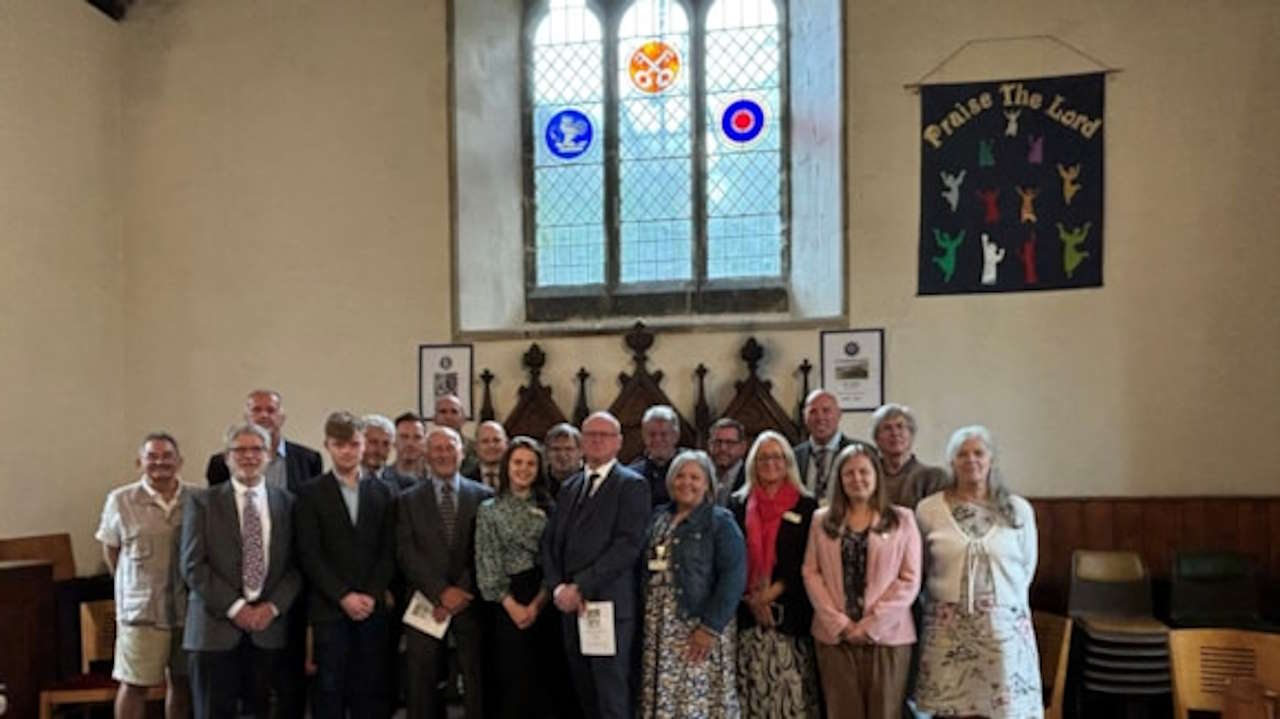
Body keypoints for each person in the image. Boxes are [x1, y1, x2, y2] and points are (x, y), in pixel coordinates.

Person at [913, 426, 1041, 719]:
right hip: (947, 628)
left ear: (991, 459)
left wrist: (1002, 604)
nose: (971, 460)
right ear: (952, 462)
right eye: (962, 454)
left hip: (1003, 628)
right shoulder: (929, 509)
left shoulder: (1018, 509)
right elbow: (920, 567)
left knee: (1002, 709)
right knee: (951, 711)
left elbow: (1027, 567)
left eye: (978, 453)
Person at [182, 423, 302, 719]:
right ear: (226, 457)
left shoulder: (288, 503)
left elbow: (297, 566)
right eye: (240, 450)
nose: (249, 456)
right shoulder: (202, 502)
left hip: (268, 630)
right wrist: (236, 608)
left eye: (256, 449)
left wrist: (271, 608)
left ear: (269, 456)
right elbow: (193, 565)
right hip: (214, 630)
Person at [540, 411, 649, 719]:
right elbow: (550, 543)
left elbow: (627, 546)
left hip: (607, 605)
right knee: (584, 690)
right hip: (570, 607)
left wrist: (580, 585)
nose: (597, 440)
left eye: (604, 435)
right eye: (590, 435)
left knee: (611, 695)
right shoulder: (571, 487)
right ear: (581, 442)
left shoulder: (632, 485)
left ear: (619, 442)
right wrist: (558, 587)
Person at [802, 444, 922, 719]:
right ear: (840, 480)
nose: (857, 479)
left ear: (876, 475)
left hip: (888, 637)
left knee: (885, 713)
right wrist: (841, 624)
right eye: (849, 473)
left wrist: (870, 626)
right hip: (835, 636)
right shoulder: (822, 520)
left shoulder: (902, 519)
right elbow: (811, 572)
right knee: (842, 712)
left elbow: (909, 579)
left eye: (864, 472)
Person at [294, 412, 397, 719]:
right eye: (340, 445)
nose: (348, 451)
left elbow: (388, 549)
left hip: (371, 606)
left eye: (354, 444)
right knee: (330, 690)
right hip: (330, 608)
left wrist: (370, 593)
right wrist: (343, 596)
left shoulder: (383, 491)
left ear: (363, 445)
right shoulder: (309, 492)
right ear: (327, 445)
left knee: (371, 689)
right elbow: (310, 554)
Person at [638, 450, 746, 719]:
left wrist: (710, 627)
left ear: (707, 484)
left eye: (695, 477)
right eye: (681, 476)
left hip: (696, 623)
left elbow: (733, 577)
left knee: (696, 698)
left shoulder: (720, 522)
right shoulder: (657, 517)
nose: (687, 483)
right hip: (659, 625)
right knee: (665, 695)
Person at [475, 437, 576, 719]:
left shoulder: (550, 508)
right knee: (513, 679)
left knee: (547, 678)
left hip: (544, 599)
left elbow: (555, 560)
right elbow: (487, 562)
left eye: (531, 463)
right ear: (508, 466)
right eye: (518, 462)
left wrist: (538, 604)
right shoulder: (489, 510)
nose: (524, 469)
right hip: (507, 601)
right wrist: (514, 607)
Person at [397, 425, 493, 719]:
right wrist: (440, 592)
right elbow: (406, 552)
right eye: (436, 448)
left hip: (470, 601)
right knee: (421, 683)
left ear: (462, 453)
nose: (443, 454)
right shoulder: (407, 500)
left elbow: (485, 549)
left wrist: (460, 591)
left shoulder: (484, 496)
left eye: (450, 447)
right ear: (426, 453)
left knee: (477, 680)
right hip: (426, 602)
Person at [96, 432, 195, 719]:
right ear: (139, 462)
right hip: (141, 611)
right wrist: (131, 585)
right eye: (152, 457)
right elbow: (111, 550)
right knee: (134, 683)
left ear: (180, 461)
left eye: (167, 456)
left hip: (187, 609)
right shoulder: (121, 500)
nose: (160, 463)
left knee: (182, 682)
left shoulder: (197, 498)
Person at [729, 430, 821, 718]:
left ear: (788, 462)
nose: (770, 463)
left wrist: (770, 593)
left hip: (790, 616)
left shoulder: (806, 506)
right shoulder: (737, 504)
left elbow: (807, 559)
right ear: (753, 463)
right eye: (763, 457)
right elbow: (730, 557)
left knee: (790, 698)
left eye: (777, 456)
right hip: (747, 617)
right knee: (752, 696)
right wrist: (753, 598)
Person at [205, 389, 323, 492]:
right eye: (256, 410)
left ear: (282, 418)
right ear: (246, 417)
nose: (264, 416)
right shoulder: (220, 464)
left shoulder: (309, 460)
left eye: (271, 410)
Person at [869, 404, 947, 509]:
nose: (895, 433)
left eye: (900, 426)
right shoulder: (867, 477)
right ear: (876, 438)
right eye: (887, 428)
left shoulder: (933, 477)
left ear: (911, 434)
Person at [792, 390, 859, 502]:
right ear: (804, 416)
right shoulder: (793, 456)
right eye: (813, 412)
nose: (820, 418)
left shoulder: (861, 453)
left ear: (839, 414)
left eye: (826, 410)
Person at [628, 405, 687, 508]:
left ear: (676, 436)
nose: (657, 440)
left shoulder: (692, 466)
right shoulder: (632, 473)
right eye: (652, 434)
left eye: (664, 434)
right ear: (644, 436)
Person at [433, 394, 479, 477]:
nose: (448, 417)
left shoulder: (476, 448)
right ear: (435, 418)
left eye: (454, 412)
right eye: (443, 412)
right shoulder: (426, 449)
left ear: (463, 419)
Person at [707, 418, 748, 506]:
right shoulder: (701, 474)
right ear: (709, 445)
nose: (723, 448)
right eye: (717, 442)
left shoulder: (751, 479)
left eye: (730, 443)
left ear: (743, 447)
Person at [544, 422, 584, 499]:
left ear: (581, 452)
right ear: (547, 453)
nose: (562, 455)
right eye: (556, 449)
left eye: (568, 449)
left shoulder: (591, 482)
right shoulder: (538, 483)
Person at [388, 412, 428, 486]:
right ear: (393, 441)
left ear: (425, 442)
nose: (410, 443)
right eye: (404, 437)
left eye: (417, 437)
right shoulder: (380, 479)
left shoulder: (435, 480)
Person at [467, 420, 508, 489]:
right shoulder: (467, 479)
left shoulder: (518, 477)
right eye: (485, 441)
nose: (491, 445)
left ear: (506, 444)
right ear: (476, 446)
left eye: (496, 440)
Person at [361, 413, 397, 485]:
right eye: (373, 442)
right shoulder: (340, 481)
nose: (379, 450)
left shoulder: (403, 485)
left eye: (385, 444)